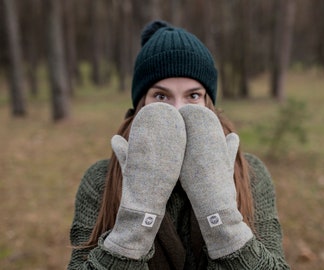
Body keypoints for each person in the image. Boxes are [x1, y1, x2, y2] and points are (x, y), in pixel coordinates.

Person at [67, 20, 290, 269]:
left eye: (193, 96)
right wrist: (133, 228)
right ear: (141, 104)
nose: (177, 111)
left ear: (208, 104)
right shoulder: (100, 179)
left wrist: (223, 222)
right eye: (161, 96)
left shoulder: (250, 174)